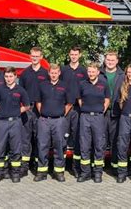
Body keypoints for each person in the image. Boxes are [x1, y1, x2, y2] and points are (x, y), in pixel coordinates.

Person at [34, 64, 74, 182]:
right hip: (44, 120)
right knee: (42, 145)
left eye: (56, 73)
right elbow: (38, 101)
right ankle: (41, 172)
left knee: (60, 146)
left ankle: (59, 172)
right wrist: (43, 113)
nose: (54, 75)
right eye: (52, 73)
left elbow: (70, 103)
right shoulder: (42, 85)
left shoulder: (64, 86)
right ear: (49, 73)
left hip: (59, 120)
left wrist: (61, 114)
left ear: (59, 73)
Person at [0, 66, 30, 183]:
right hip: (1, 122)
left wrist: (17, 112)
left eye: (11, 76)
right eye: (6, 76)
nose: (8, 79)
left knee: (16, 148)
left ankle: (15, 174)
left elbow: (27, 105)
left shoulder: (20, 90)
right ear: (4, 77)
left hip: (15, 122)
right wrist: (3, 111)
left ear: (15, 76)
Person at [77, 62, 110, 183]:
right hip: (85, 116)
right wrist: (86, 109)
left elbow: (107, 100)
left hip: (98, 117)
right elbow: (79, 99)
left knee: (98, 145)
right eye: (89, 71)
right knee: (84, 145)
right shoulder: (82, 84)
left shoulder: (104, 84)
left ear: (97, 72)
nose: (91, 74)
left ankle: (97, 173)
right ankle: (85, 172)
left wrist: (101, 110)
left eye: (93, 71)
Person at [19, 46, 49, 175]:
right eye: (32, 56)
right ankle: (24, 166)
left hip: (40, 110)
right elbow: (19, 92)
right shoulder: (25, 73)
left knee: (39, 137)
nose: (34, 58)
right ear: (30, 56)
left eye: (37, 56)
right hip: (27, 108)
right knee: (25, 138)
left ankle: (38, 165)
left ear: (41, 57)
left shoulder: (46, 73)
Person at [61, 46, 88, 178]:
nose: (73, 56)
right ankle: (60, 167)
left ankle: (76, 168)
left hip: (78, 109)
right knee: (62, 138)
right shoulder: (63, 70)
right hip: (65, 108)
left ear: (80, 55)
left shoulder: (83, 70)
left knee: (78, 138)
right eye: (71, 54)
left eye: (76, 54)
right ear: (69, 55)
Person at [100, 51, 124, 172]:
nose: (110, 62)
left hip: (116, 113)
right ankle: (99, 167)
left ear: (117, 61)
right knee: (101, 140)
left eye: (112, 60)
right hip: (102, 113)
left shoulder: (122, 75)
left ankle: (115, 167)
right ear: (105, 60)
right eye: (108, 60)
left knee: (115, 140)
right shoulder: (99, 73)